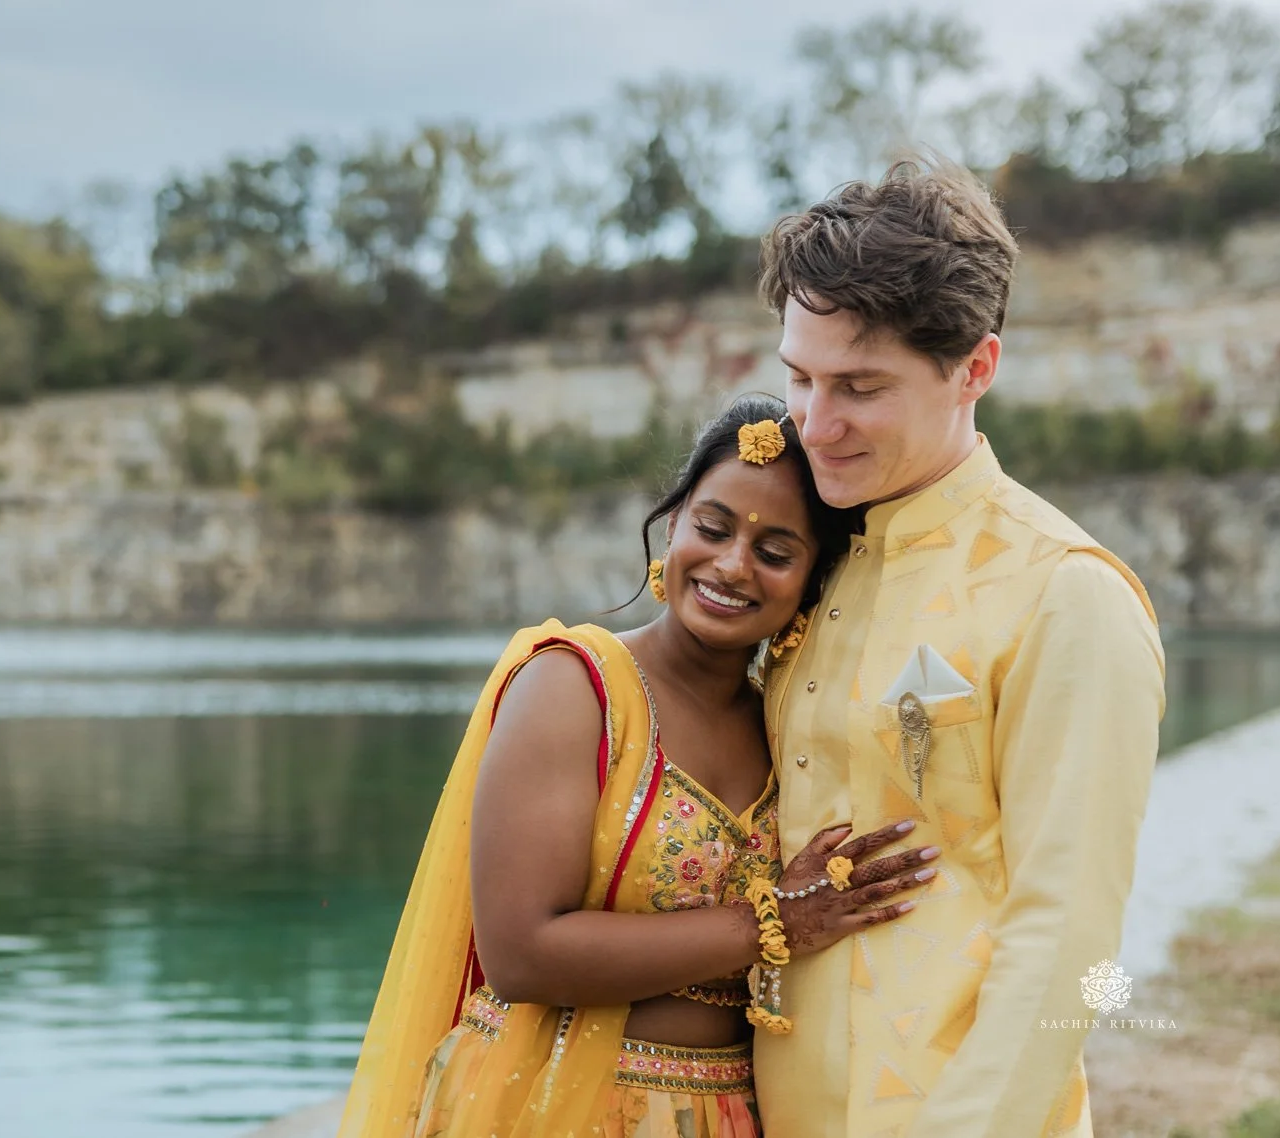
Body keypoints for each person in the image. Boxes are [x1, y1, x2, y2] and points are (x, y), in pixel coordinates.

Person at [337, 395, 941, 1138]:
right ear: (674, 523)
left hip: (728, 1115)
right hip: (543, 1106)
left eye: (775, 552)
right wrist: (773, 922)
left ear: (815, 583)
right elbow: (522, 951)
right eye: (712, 528)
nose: (730, 565)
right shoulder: (575, 685)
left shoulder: (789, 730)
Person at [750, 158, 1167, 1137]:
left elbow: (1064, 941)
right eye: (800, 378)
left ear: (976, 368)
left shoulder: (1068, 595)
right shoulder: (818, 565)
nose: (815, 422)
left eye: (861, 386)